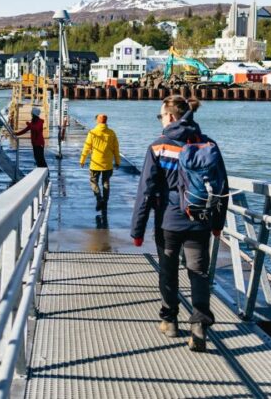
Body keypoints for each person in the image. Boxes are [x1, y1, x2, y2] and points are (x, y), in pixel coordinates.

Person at [130, 95, 229, 352]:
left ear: (171, 117)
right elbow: (222, 187)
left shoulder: (159, 147)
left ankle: (170, 320)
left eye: (161, 116)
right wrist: (218, 222)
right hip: (200, 220)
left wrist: (137, 230)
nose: (161, 120)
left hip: (169, 221)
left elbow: (146, 191)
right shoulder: (209, 144)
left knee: (168, 269)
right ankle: (199, 326)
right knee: (199, 273)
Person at [79, 113, 121, 224]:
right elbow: (116, 149)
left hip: (95, 163)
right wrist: (117, 162)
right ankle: (105, 203)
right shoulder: (111, 133)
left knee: (93, 181)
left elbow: (87, 147)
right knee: (106, 183)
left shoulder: (92, 133)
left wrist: (82, 160)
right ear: (106, 121)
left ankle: (99, 198)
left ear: (97, 121)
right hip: (107, 164)